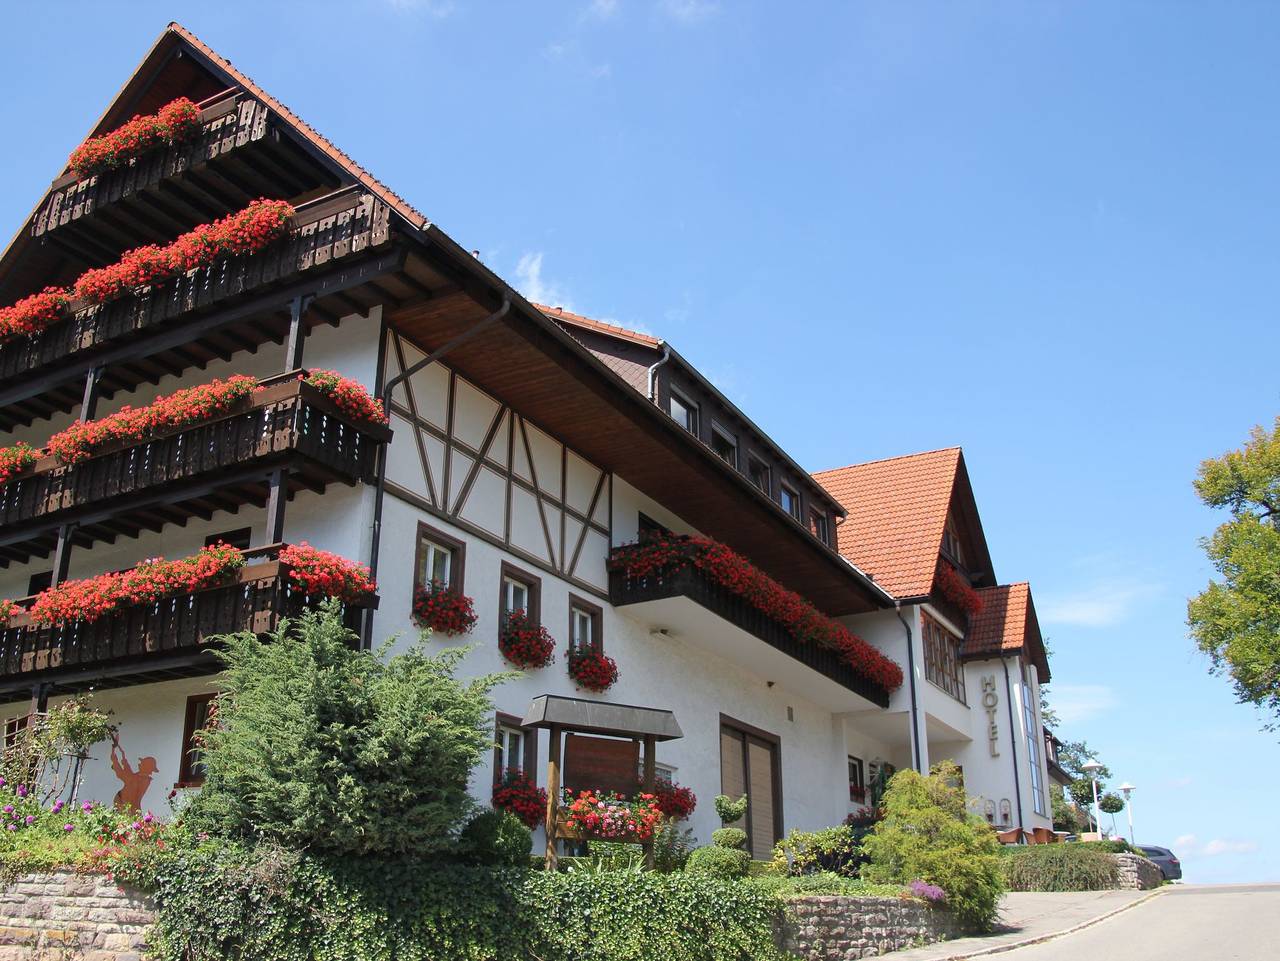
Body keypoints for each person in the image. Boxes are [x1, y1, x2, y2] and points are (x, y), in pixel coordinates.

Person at [110, 734, 157, 811]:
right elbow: (126, 773)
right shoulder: (139, 776)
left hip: (128, 805)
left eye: (142, 764)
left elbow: (126, 775)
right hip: (121, 800)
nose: (139, 764)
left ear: (147, 767)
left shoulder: (144, 780)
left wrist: (120, 757)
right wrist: (121, 755)